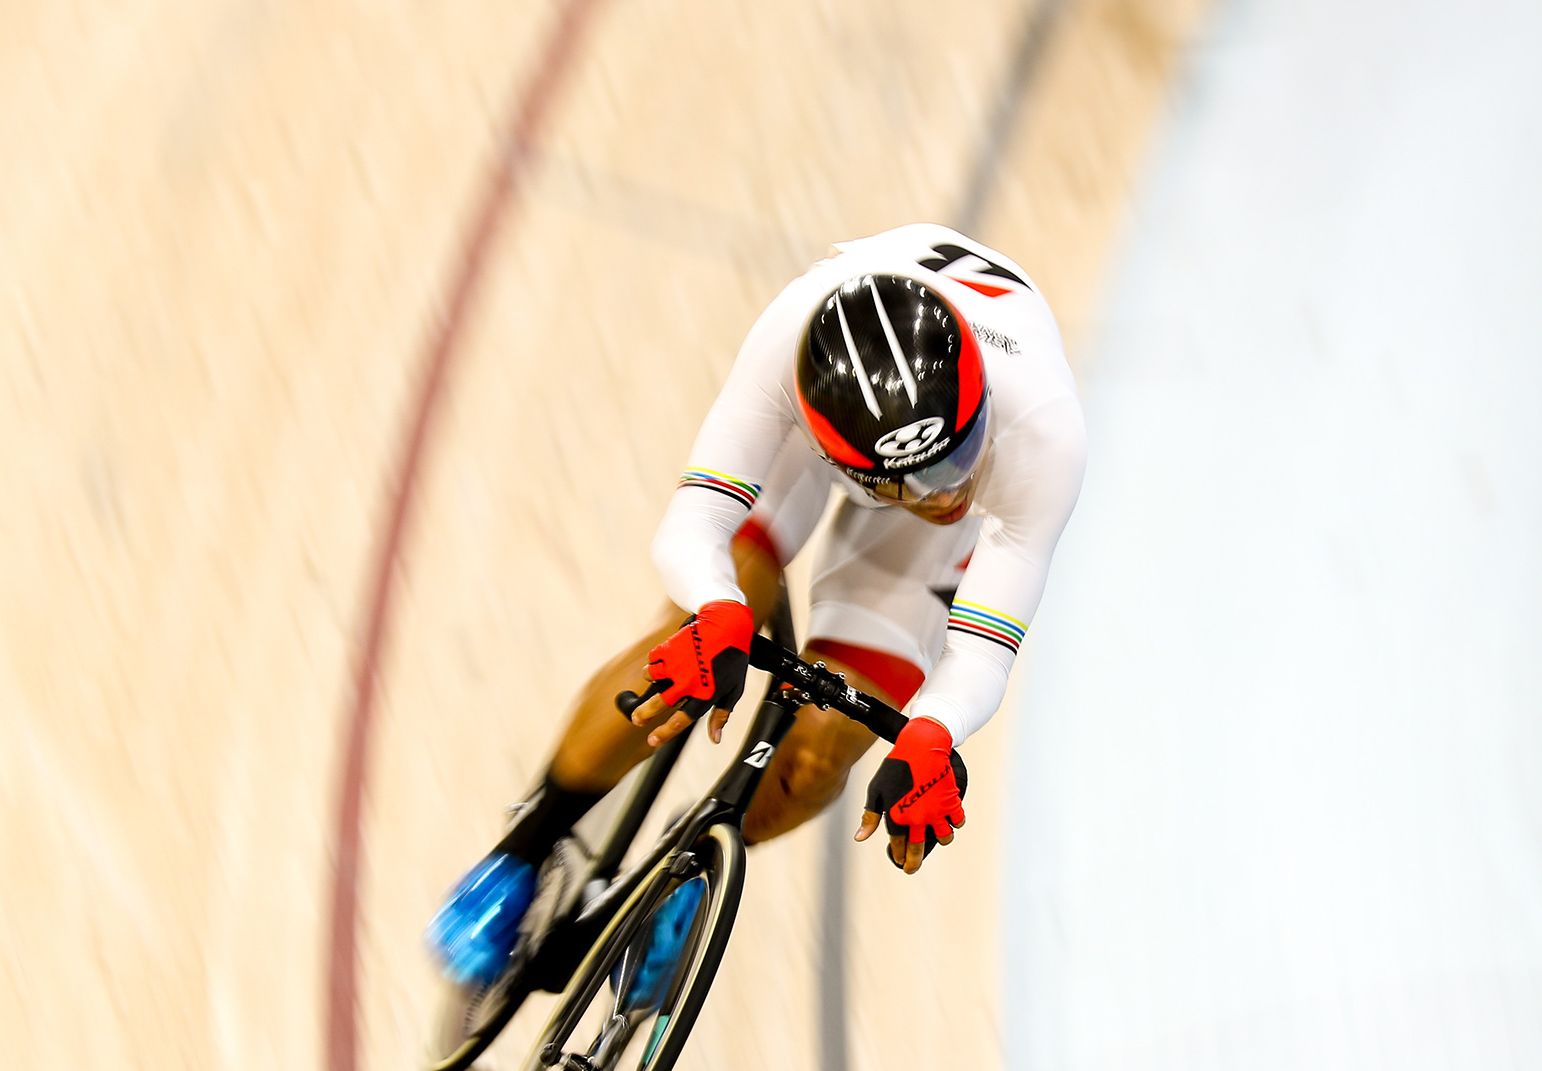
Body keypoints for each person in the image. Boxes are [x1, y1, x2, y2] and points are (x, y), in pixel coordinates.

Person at [429, 223, 1088, 986]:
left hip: (922, 454)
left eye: (959, 460)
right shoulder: (789, 344)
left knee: (816, 760)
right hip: (816, 454)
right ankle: (524, 848)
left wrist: (934, 732)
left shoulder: (1043, 441)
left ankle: (672, 876)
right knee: (686, 637)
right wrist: (717, 606)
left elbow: (981, 651)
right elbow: (695, 523)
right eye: (914, 486)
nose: (944, 497)